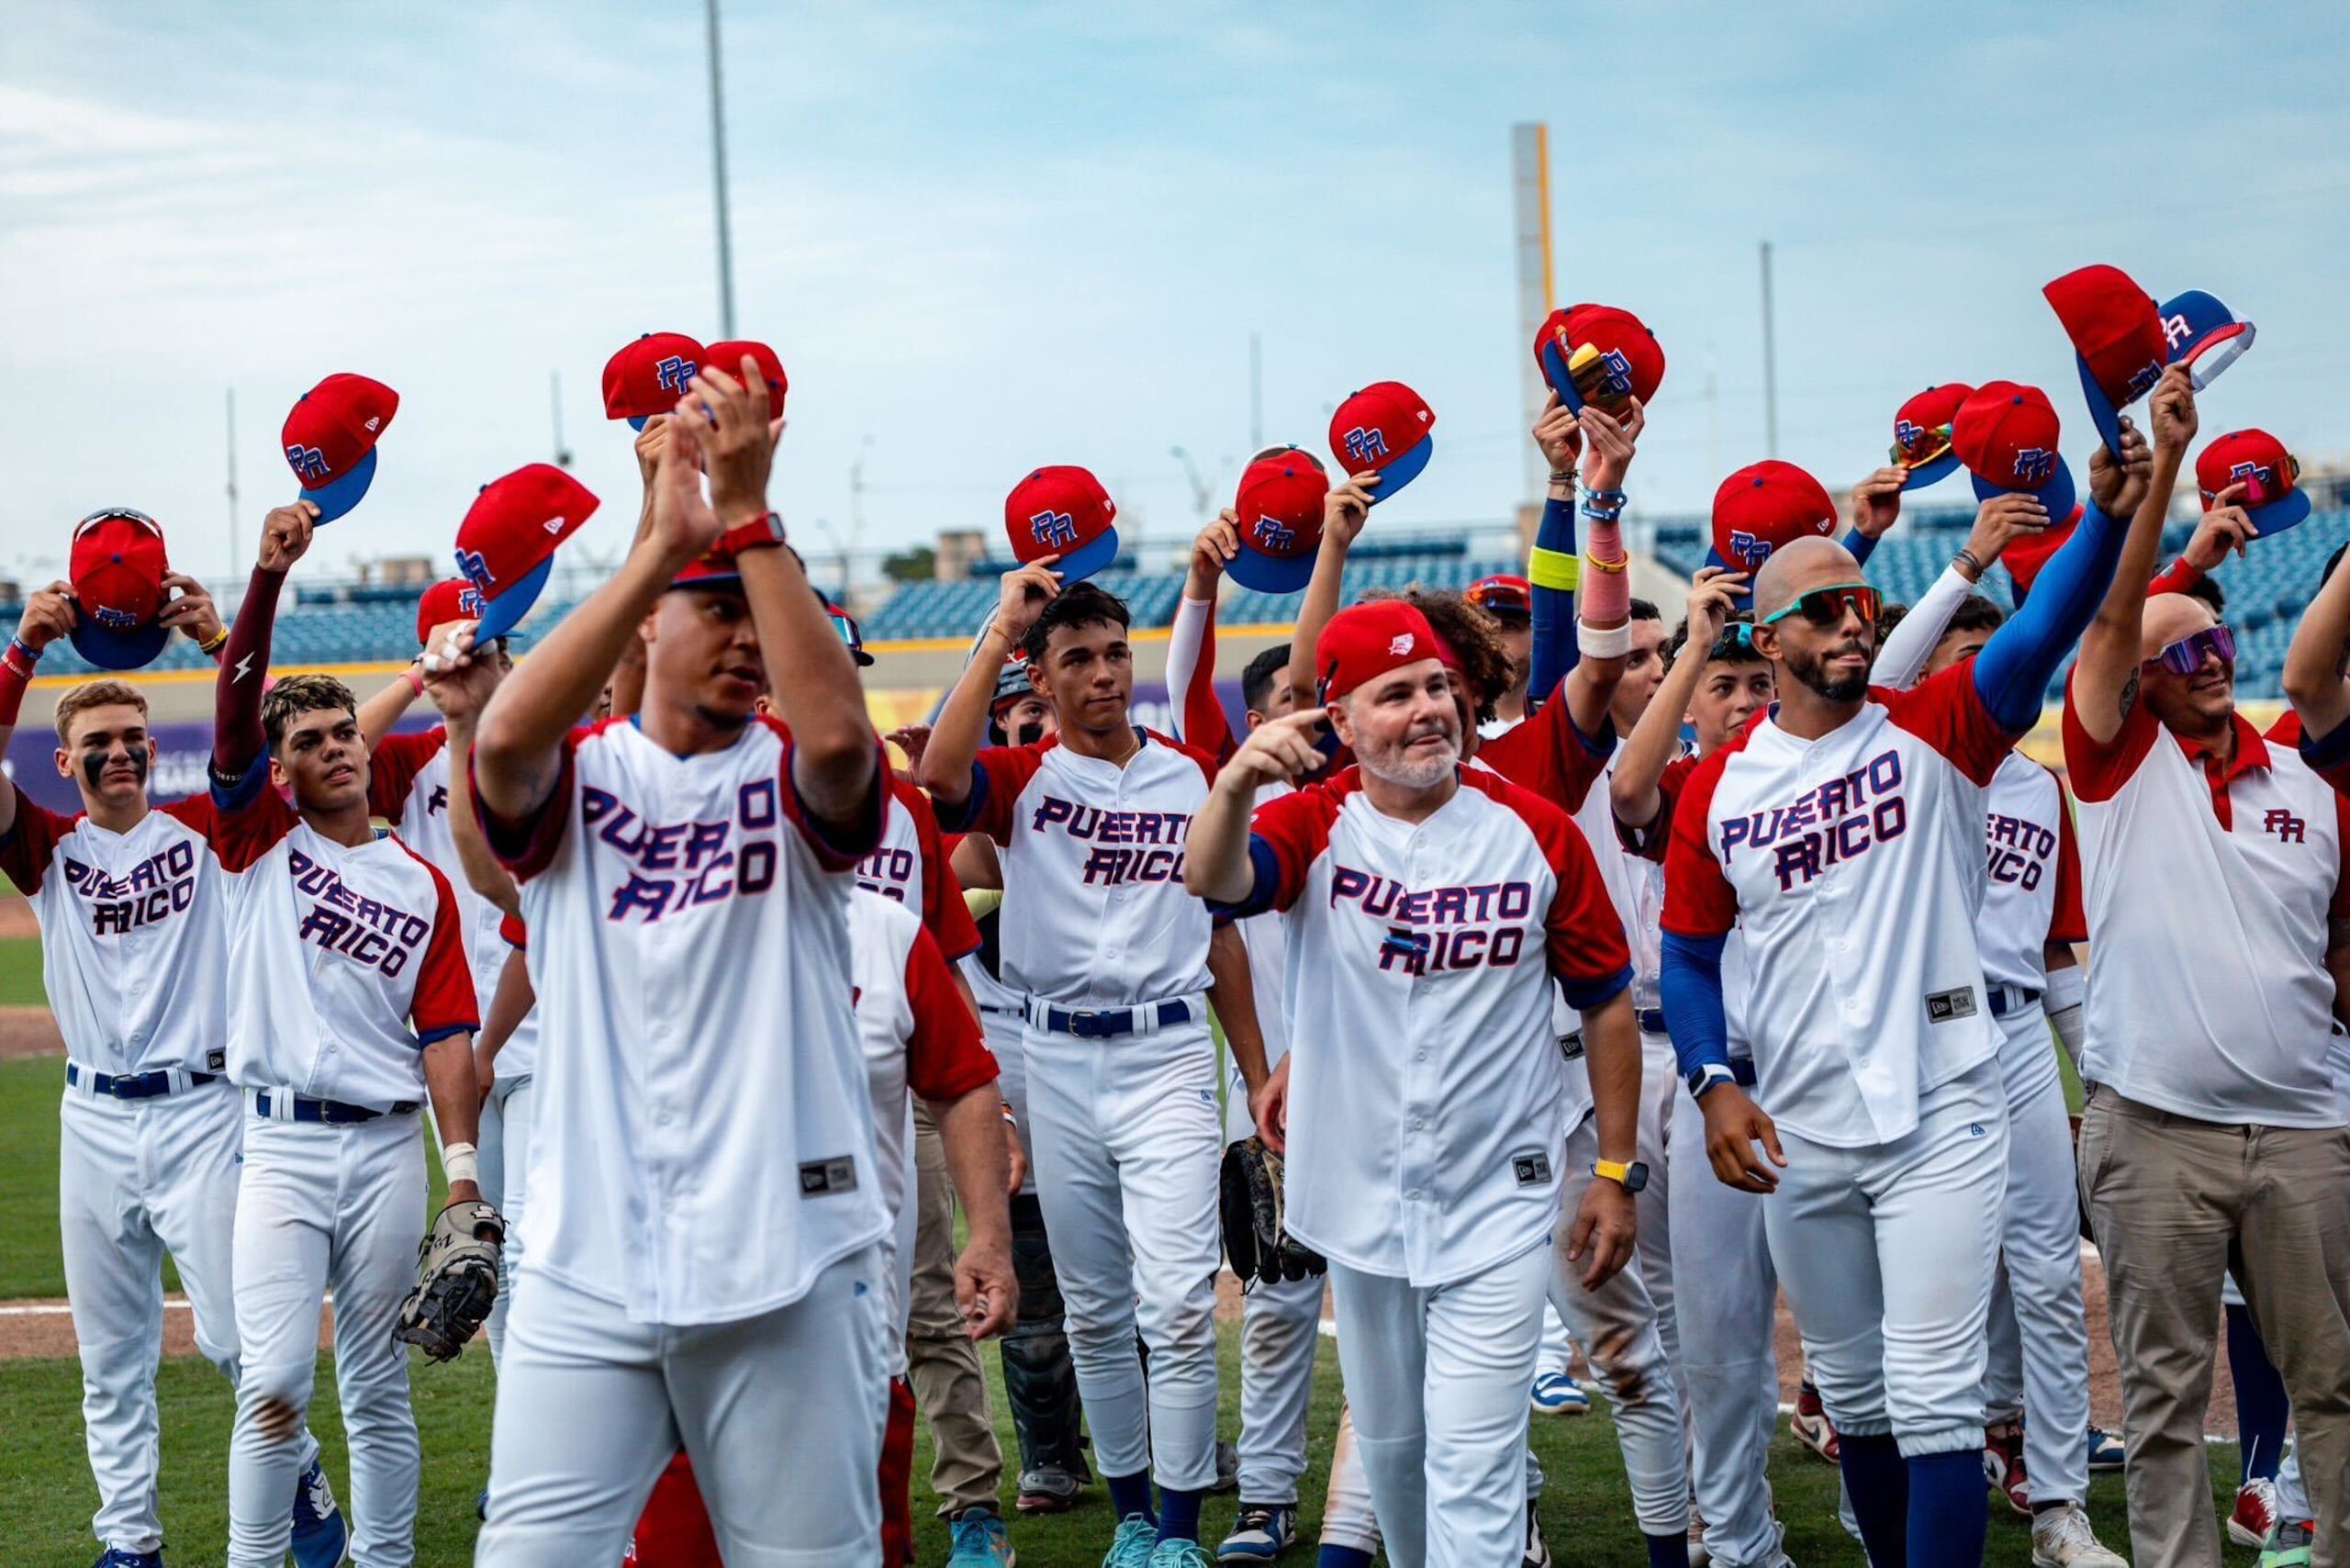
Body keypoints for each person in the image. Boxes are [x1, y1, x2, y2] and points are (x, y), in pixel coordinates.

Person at [470, 361, 1011, 1563]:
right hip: (586, 1266)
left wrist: (753, 525)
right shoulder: (585, 779)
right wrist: (662, 547)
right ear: (650, 616)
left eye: (760, 621)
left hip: (786, 1269)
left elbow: (836, 745)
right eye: (718, 610)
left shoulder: (793, 777)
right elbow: (504, 740)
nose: (747, 644)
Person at [1658, 406, 2146, 1568]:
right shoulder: (1715, 787)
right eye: (1822, 609)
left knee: (1934, 1396)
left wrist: (2109, 516)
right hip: (1798, 1125)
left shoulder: (1937, 724)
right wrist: (1712, 1078)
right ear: (1765, 642)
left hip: (1944, 1106)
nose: (1851, 618)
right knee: (1857, 1394)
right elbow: (1686, 951)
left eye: (1859, 603)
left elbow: (2043, 626)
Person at [1186, 596, 1644, 1568]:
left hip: (1500, 1193)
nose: (1428, 707)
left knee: (1475, 1463)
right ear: (1341, 721)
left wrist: (1611, 1167)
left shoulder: (1534, 832)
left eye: (1437, 684)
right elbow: (1214, 882)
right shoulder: (1313, 820)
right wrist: (1231, 786)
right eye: (1395, 693)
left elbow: (1605, 999)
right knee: (1393, 1454)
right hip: (1355, 1190)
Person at [2053, 361, 2350, 1567]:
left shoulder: (2312, 788)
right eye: (2183, 649)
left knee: (2335, 1384)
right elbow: (2119, 626)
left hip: (2306, 1129)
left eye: (2221, 638)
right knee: (2168, 1404)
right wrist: (2168, 467)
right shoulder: (2119, 769)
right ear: (2139, 681)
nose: (2211, 655)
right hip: (2157, 1128)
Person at [918, 551, 1269, 1568]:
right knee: (1098, 1306)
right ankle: (1125, 1517)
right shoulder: (1024, 778)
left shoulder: (1189, 774)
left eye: (1117, 653)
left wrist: (1253, 1076)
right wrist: (1000, 630)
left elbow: (1220, 934)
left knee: (1177, 1301)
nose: (1107, 673)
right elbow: (939, 779)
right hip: (1054, 1058)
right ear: (1044, 678)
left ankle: (1175, 1528)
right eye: (1079, 657)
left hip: (1165, 1050)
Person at [0, 569, 352, 1568]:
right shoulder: (47, 850)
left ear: (156, 749)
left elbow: (273, 746)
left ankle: (299, 1473)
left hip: (204, 1113)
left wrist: (214, 644)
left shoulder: (210, 836)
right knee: (110, 1361)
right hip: (94, 1122)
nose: (119, 753)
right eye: (97, 744)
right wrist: (23, 648)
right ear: (63, 763)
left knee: (240, 1342)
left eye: (133, 739)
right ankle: (130, 1543)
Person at [206, 502, 487, 1568]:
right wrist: (267, 580)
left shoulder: (420, 884)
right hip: (277, 1149)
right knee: (273, 1378)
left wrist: (460, 1174)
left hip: (381, 1151)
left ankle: (384, 1561)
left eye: (343, 735)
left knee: (375, 1383)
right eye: (310, 743)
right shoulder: (257, 846)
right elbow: (236, 713)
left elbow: (448, 1036)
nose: (334, 749)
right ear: (280, 772)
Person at [1866, 536, 2124, 1566]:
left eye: (1995, 656)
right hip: (1918, 1031)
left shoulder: (2035, 787)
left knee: (2048, 1274)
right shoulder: (1898, 751)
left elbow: (2061, 948)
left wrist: (2100, 1075)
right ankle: (1928, 1458)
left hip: (2016, 1030)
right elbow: (1883, 675)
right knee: (1928, 1280)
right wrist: (1963, 573)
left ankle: (2060, 1506)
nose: (1982, 673)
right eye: (1961, 656)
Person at [1165, 518, 1323, 1562]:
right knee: (1274, 1307)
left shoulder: (1358, 805)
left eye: (1309, 704)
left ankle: (1507, 1497)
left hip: (1392, 1091)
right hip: (1272, 1095)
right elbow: (1186, 687)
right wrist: (1199, 583)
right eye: (1276, 708)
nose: (1294, 721)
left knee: (1425, 1312)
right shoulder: (1238, 813)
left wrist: (1333, 552)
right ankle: (1264, 1497)